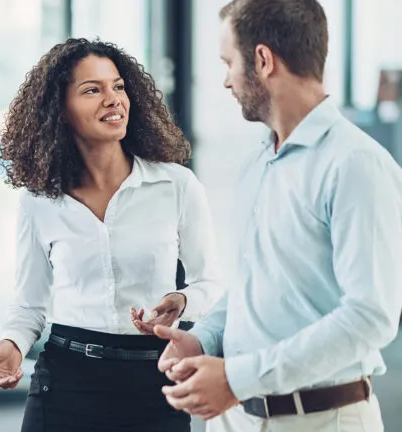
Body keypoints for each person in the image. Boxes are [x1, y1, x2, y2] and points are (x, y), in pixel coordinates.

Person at [149, 0, 402, 431]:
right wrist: (202, 338)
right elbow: (254, 288)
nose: (226, 80)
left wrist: (236, 378)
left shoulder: (357, 165)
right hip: (237, 420)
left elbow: (370, 317)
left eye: (229, 62)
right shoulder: (257, 163)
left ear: (263, 60)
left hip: (322, 419)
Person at [0, 38, 224, 432]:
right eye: (92, 90)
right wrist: (12, 344)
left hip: (153, 383)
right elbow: (29, 304)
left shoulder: (176, 185)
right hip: (65, 383)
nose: (113, 99)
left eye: (118, 87)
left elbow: (210, 283)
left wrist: (182, 300)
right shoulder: (39, 201)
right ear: (60, 110)